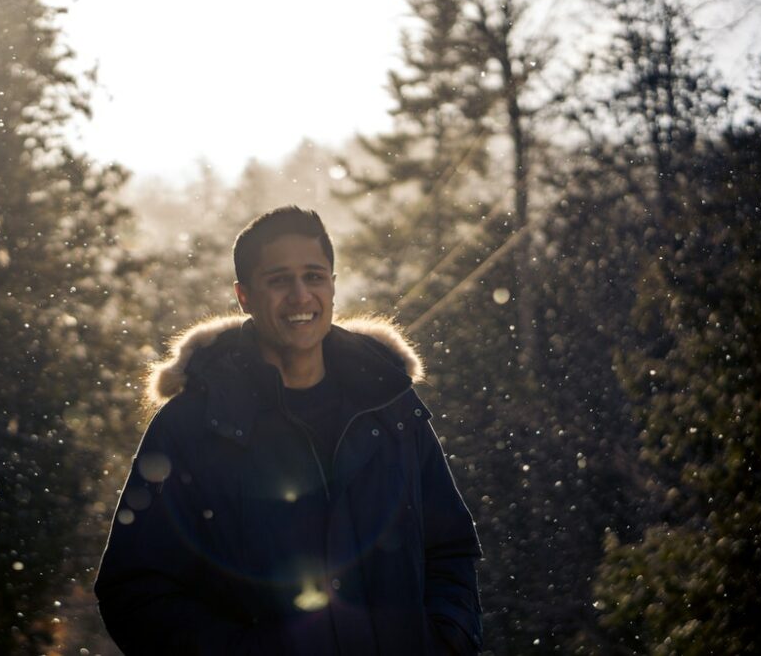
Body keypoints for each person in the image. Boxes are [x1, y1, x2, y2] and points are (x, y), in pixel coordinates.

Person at [94, 206, 483, 654]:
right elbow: (135, 590)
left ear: (333, 286)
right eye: (279, 280)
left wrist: (444, 641)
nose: (301, 296)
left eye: (314, 276)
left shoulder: (390, 406)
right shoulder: (192, 426)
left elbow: (450, 548)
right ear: (244, 296)